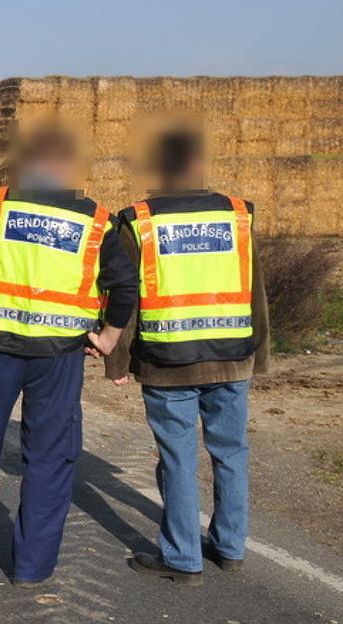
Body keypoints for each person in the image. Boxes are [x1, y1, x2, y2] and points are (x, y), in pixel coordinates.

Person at [0, 124, 139, 586]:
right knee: (49, 458)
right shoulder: (95, 219)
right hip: (60, 356)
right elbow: (125, 286)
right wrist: (106, 340)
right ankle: (32, 568)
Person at [106, 126, 269, 587]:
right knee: (232, 453)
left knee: (177, 459)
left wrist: (118, 363)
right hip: (234, 358)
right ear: (199, 165)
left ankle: (183, 559)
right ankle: (231, 548)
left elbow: (126, 295)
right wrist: (262, 357)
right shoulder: (238, 215)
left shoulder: (139, 220)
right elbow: (256, 292)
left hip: (167, 362)